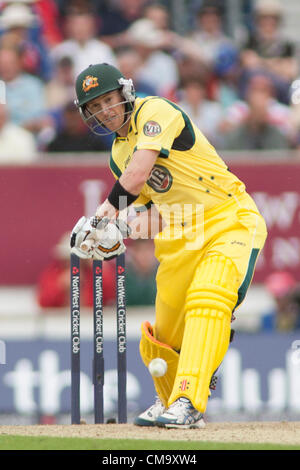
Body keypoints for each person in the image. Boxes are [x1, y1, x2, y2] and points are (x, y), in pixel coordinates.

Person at [69, 63, 267, 429]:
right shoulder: (117, 155)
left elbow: (139, 174)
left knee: (208, 299)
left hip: (227, 219)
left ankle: (189, 401)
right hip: (180, 237)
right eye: (94, 107)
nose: (104, 111)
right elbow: (151, 209)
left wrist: (101, 217)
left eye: (108, 100)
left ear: (125, 93)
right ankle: (169, 398)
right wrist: (118, 232)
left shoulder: (156, 111)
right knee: (165, 336)